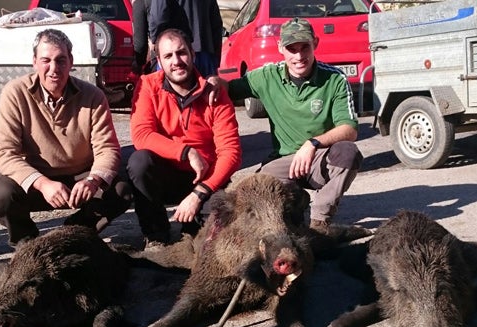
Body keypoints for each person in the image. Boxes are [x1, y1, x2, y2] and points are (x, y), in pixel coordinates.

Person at [210, 18, 363, 233]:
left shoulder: (335, 79)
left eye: (304, 47)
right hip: (282, 161)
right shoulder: (266, 76)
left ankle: (320, 221)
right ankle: (296, 203)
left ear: (315, 44)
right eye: (292, 49)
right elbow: (230, 89)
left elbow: (350, 129)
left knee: (348, 152)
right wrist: (215, 82)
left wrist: (312, 144)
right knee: (256, 193)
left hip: (319, 157)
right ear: (281, 48)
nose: (299, 56)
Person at [0, 28, 133, 247]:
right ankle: (27, 244)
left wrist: (93, 181)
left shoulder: (93, 96)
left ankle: (73, 234)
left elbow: (108, 149)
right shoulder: (14, 93)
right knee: (1, 194)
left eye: (61, 60)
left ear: (71, 61)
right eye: (46, 60)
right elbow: (4, 154)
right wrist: (42, 183)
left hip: (80, 177)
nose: (54, 69)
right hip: (37, 179)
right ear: (34, 62)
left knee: (121, 190)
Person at [127, 28, 241, 246]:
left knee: (206, 242)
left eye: (181, 53)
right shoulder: (148, 85)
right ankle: (156, 235)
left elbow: (231, 153)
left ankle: (192, 224)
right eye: (168, 56)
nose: (176, 61)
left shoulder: (215, 93)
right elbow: (141, 134)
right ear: (159, 60)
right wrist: (186, 152)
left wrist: (199, 193)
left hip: (207, 179)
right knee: (139, 161)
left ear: (193, 54)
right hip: (167, 175)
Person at [149, 0, 223, 77]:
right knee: (209, 87)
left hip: (175, 54)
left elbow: (158, 16)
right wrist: (215, 58)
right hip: (206, 53)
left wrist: (155, 40)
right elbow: (216, 25)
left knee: (167, 88)